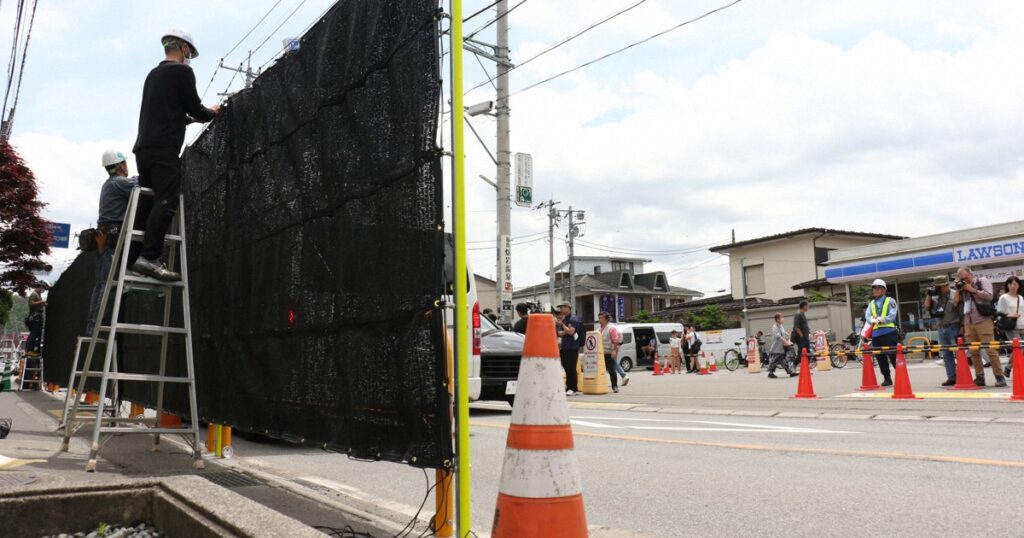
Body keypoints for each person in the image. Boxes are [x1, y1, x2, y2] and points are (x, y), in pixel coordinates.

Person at [130, 28, 220, 281]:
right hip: (164, 149)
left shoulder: (153, 74)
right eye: (189, 51)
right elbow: (195, 106)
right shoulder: (183, 71)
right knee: (166, 199)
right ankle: (149, 258)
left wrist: (189, 120)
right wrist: (211, 113)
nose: (189, 56)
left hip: (144, 149)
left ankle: (133, 258)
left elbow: (170, 114)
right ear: (182, 47)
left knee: (147, 202)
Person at [86, 150, 139, 335]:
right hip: (112, 239)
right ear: (120, 165)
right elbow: (140, 183)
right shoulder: (119, 183)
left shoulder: (107, 184)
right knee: (107, 284)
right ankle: (100, 325)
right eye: (125, 162)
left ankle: (94, 326)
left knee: (101, 283)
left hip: (104, 238)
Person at [957, 266, 1006, 387]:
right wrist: (958, 290)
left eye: (966, 277)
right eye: (962, 279)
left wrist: (972, 290)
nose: (965, 280)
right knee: (974, 352)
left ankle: (1000, 377)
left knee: (990, 349)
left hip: (983, 320)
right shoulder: (962, 287)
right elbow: (955, 303)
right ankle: (980, 377)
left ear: (971, 274)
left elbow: (989, 296)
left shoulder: (982, 281)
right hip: (969, 321)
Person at [923, 275, 961, 386]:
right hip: (941, 328)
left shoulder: (954, 293)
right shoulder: (935, 296)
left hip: (954, 326)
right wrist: (929, 295)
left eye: (941, 286)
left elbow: (957, 304)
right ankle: (951, 377)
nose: (939, 289)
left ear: (947, 285)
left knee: (959, 353)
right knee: (946, 354)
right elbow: (926, 307)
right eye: (937, 287)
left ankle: (962, 375)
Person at [863, 279, 898, 386]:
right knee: (880, 357)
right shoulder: (871, 303)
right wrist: (871, 320)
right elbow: (867, 316)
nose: (875, 290)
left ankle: (901, 374)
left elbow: (892, 315)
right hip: (876, 334)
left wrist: (881, 319)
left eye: (878, 288)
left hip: (889, 332)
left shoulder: (890, 301)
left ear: (883, 290)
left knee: (893, 355)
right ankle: (887, 378)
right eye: (874, 288)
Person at [997, 275, 1024, 379]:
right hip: (1011, 326)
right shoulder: (1004, 297)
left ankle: (1009, 367)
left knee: (1021, 349)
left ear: (1018, 285)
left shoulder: (1020, 297)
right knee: (1019, 348)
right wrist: (1010, 315)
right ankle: (1009, 367)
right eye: (1010, 284)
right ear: (1007, 285)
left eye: (1014, 284)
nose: (1012, 286)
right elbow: (999, 312)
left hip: (1022, 324)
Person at [556, 302, 584, 396]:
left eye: (562, 307)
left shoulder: (573, 319)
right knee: (566, 367)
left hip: (572, 346)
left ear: (568, 307)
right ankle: (569, 387)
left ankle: (573, 388)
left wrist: (563, 326)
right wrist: (565, 329)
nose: (561, 310)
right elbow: (560, 333)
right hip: (564, 346)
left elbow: (571, 332)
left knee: (571, 368)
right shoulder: (565, 319)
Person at [597, 312, 625, 392]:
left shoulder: (611, 328)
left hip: (609, 352)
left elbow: (615, 341)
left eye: (601, 318)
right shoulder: (599, 329)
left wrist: (614, 351)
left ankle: (615, 386)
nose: (599, 319)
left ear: (606, 319)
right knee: (601, 370)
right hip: (601, 353)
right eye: (599, 318)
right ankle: (601, 385)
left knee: (611, 370)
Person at [767, 312, 797, 378]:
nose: (783, 319)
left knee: (786, 360)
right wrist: (785, 341)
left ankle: (791, 372)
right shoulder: (774, 327)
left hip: (782, 348)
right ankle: (770, 373)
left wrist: (787, 334)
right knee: (774, 361)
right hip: (776, 348)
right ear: (777, 319)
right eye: (781, 317)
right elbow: (778, 336)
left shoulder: (781, 326)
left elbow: (783, 332)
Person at [24, 283, 47, 356]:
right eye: (43, 288)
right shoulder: (34, 294)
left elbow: (38, 304)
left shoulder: (38, 295)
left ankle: (34, 350)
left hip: (38, 316)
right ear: (40, 287)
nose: (43, 290)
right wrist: (41, 302)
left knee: (37, 334)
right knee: (33, 333)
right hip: (34, 317)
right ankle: (29, 350)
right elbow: (31, 303)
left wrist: (43, 304)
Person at [791, 301, 811, 370]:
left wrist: (809, 333)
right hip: (800, 338)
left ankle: (806, 369)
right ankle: (794, 365)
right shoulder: (798, 314)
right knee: (801, 353)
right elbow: (796, 327)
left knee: (808, 353)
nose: (808, 307)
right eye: (807, 306)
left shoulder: (803, 314)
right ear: (804, 306)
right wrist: (802, 336)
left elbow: (804, 326)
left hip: (805, 337)